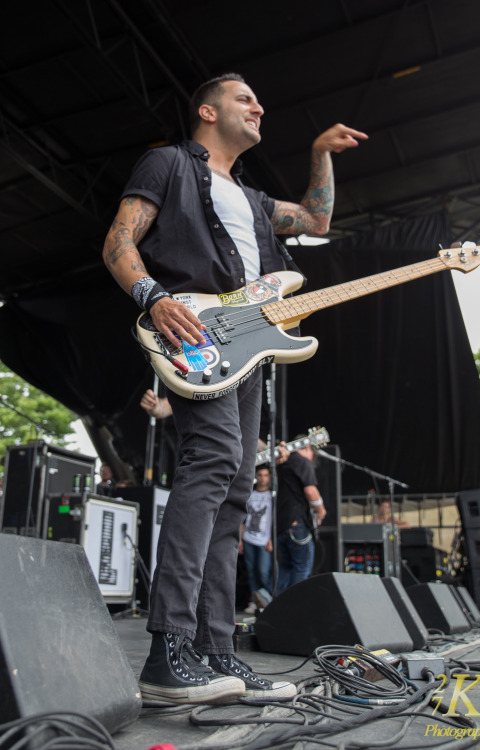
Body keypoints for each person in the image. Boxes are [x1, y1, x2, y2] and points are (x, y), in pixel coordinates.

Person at [102, 71, 367, 706]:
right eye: (244, 98)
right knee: (214, 463)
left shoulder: (250, 200)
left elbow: (316, 218)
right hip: (196, 337)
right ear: (205, 110)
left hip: (249, 352)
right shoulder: (167, 165)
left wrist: (320, 155)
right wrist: (153, 297)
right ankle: (168, 650)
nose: (259, 106)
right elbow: (117, 242)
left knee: (237, 488)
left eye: (259, 101)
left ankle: (219, 652)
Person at [276, 442, 327, 593]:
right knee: (301, 568)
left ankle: (279, 608)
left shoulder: (281, 462)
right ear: (307, 448)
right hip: (296, 523)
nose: (312, 460)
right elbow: (311, 491)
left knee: (285, 569)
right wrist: (321, 510)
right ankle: (296, 609)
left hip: (280, 525)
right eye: (313, 456)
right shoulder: (302, 461)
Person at [239, 465, 274, 613]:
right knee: (251, 572)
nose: (262, 478)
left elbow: (274, 519)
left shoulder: (272, 496)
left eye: (266, 475)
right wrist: (240, 540)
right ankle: (255, 601)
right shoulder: (250, 494)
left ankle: (268, 600)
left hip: (264, 540)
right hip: (248, 538)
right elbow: (242, 519)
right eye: (260, 475)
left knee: (263, 572)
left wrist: (272, 539)